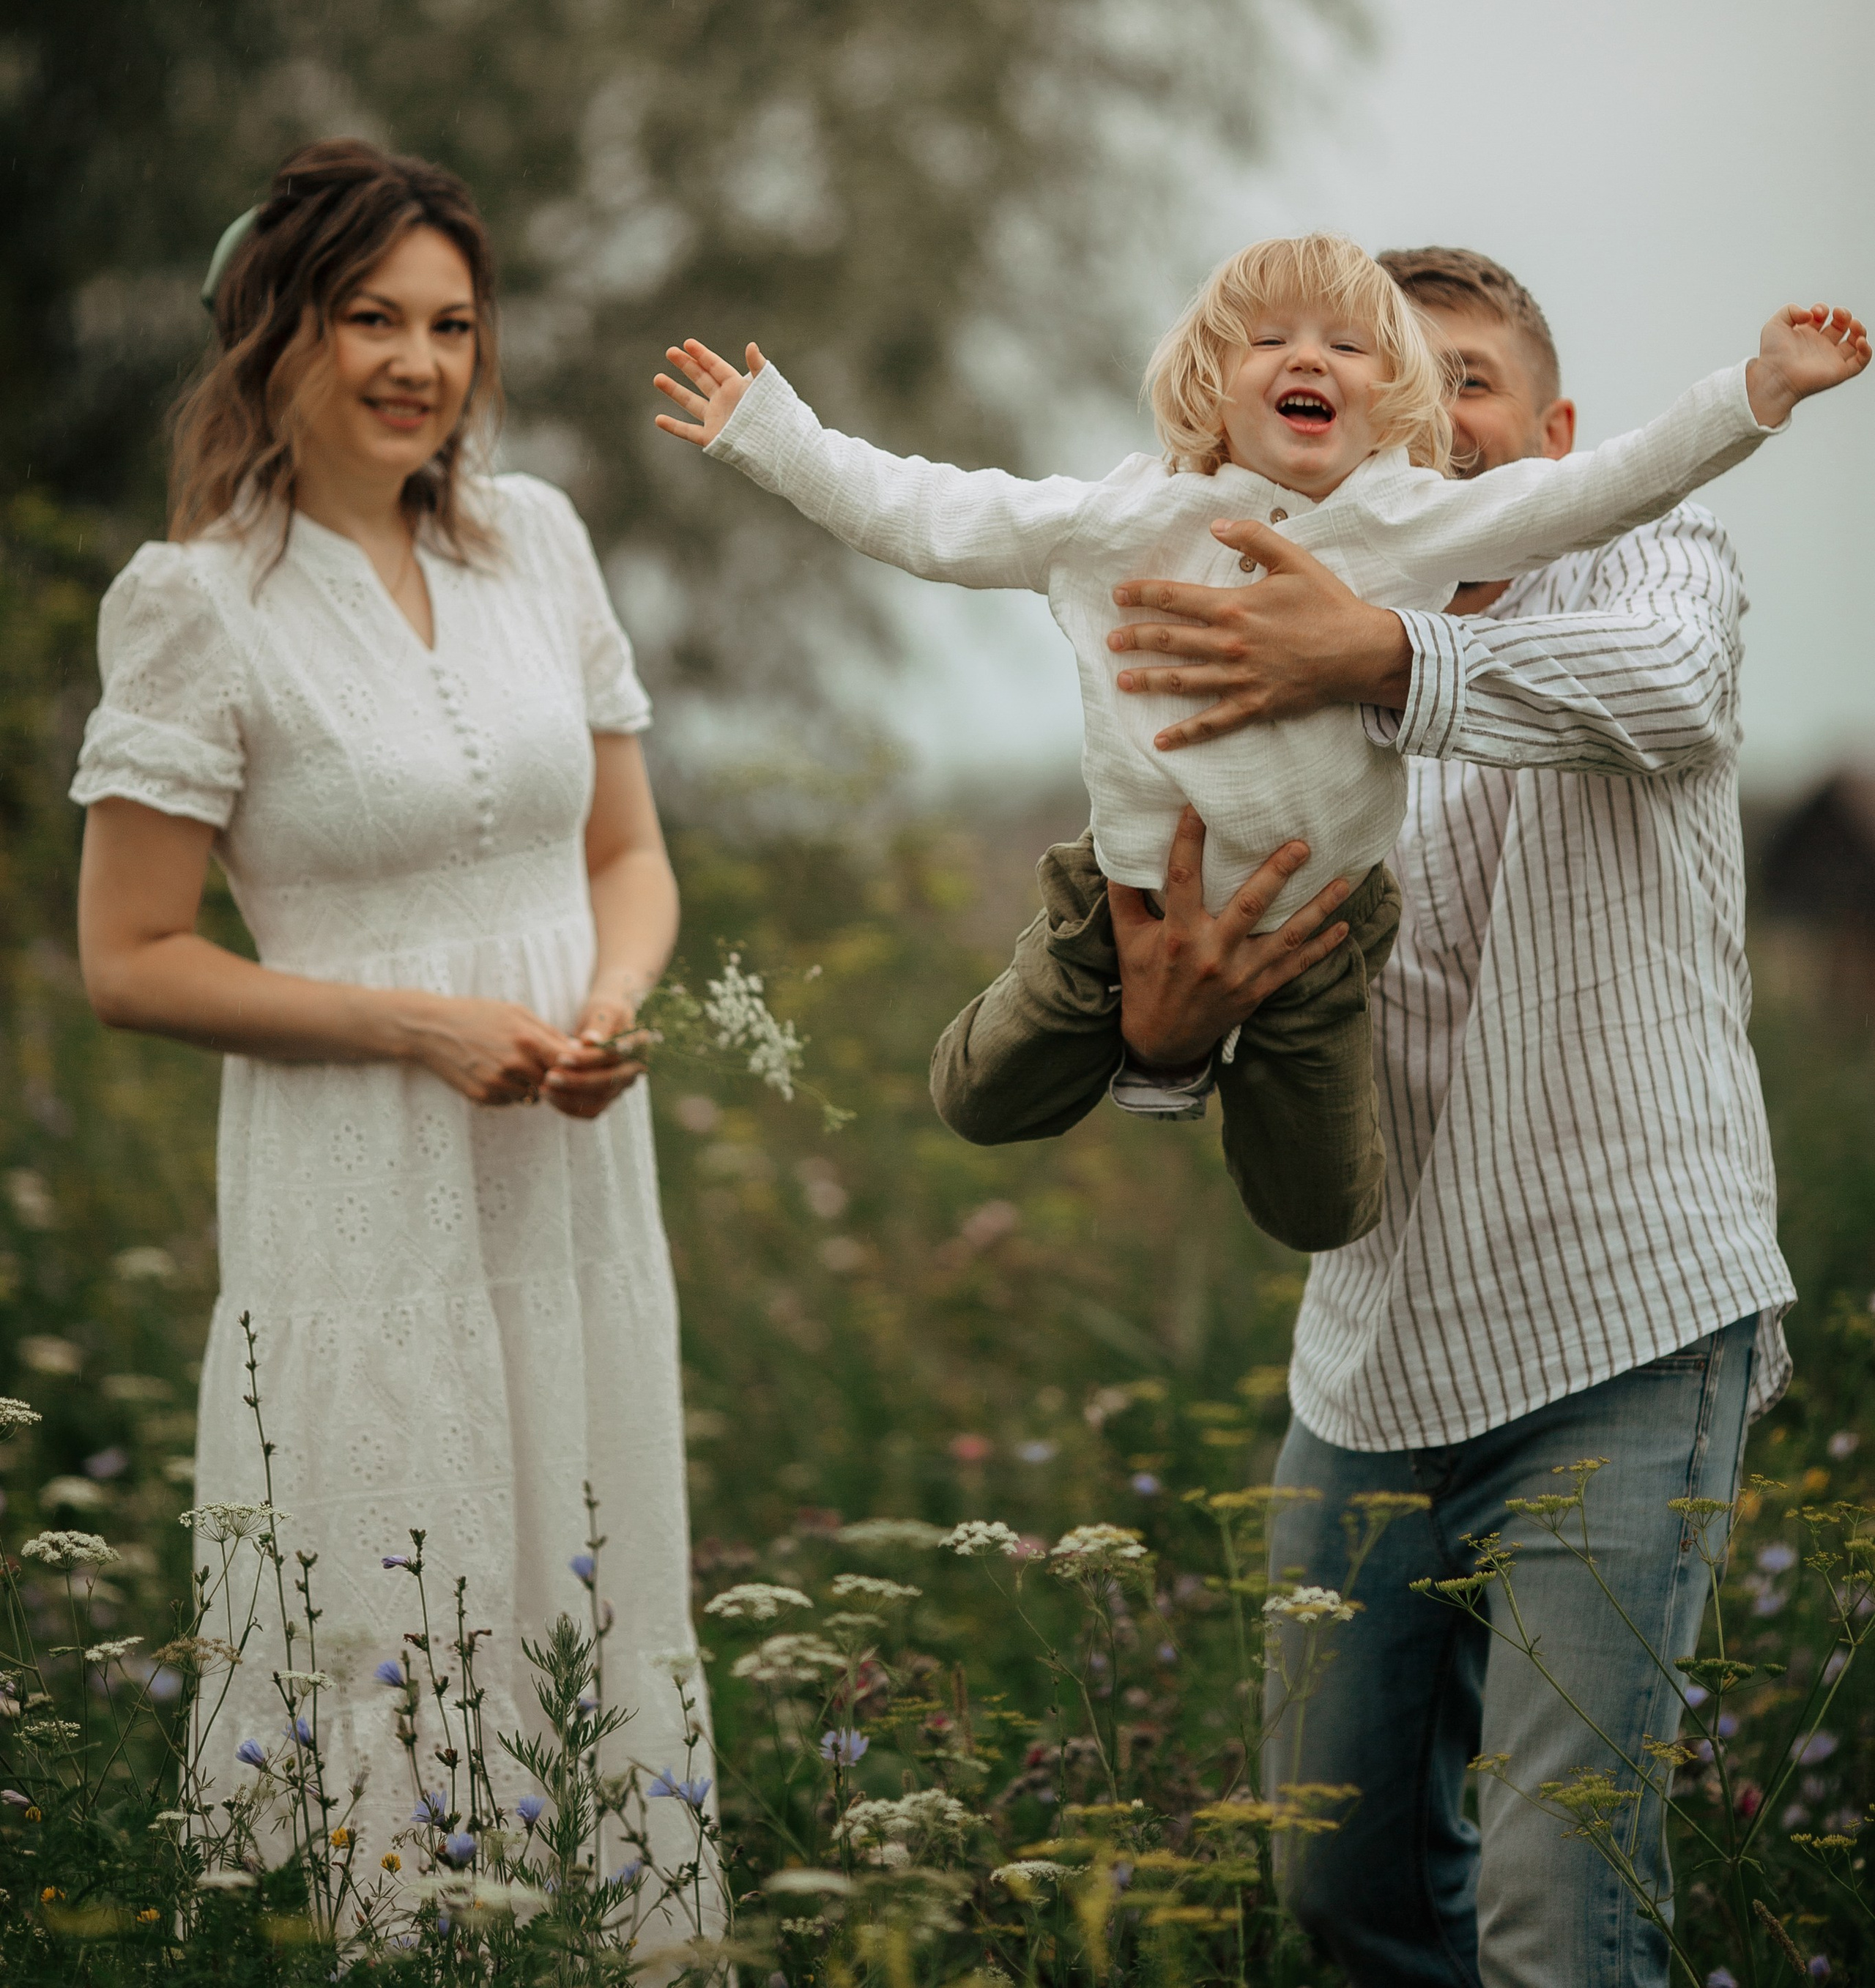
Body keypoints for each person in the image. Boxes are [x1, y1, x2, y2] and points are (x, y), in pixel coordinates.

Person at [988, 243, 1808, 1987]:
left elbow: (1662, 690)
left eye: (1470, 383)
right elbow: (1249, 983)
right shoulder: (1278, 625)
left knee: (1554, 1915)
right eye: (1405, 385)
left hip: (1626, 1327)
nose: (1432, 419)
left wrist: (1371, 651)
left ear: (1555, 432)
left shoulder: (1652, 560)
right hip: (1371, 1361)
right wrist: (1163, 1047)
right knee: (1339, 1889)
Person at [654, 239, 1863, 1256]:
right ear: (1209, 388)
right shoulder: (1120, 519)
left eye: (1349, 348)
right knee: (974, 1095)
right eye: (1270, 339)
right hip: (1124, 895)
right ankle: (1160, 1059)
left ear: (1395, 414)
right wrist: (777, 436)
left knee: (1320, 1212)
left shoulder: (1408, 522)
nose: (1308, 360)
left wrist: (1753, 391)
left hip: (1321, 925)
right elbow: (930, 512)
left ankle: (1199, 1072)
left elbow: (1600, 489)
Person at [73, 138, 707, 1902]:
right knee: (399, 1564)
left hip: (568, 1165)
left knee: (578, 1552)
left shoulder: (540, 542)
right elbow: (130, 958)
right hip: (356, 1178)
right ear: (273, 328)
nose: (419, 362)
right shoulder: (195, 603)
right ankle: (408, 1928)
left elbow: (627, 854)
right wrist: (417, 1027)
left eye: (450, 323)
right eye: (371, 316)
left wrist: (607, 1001)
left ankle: (610, 1927)